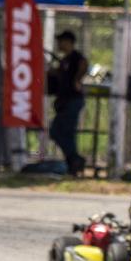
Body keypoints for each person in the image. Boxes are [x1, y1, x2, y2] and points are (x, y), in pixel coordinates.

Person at [48, 30, 87, 176]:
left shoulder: (75, 57)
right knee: (62, 133)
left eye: (61, 41)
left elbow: (83, 64)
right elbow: (59, 74)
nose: (59, 44)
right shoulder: (64, 60)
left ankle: (74, 159)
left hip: (73, 100)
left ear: (68, 42)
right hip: (64, 101)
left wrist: (77, 79)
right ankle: (73, 162)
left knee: (58, 131)